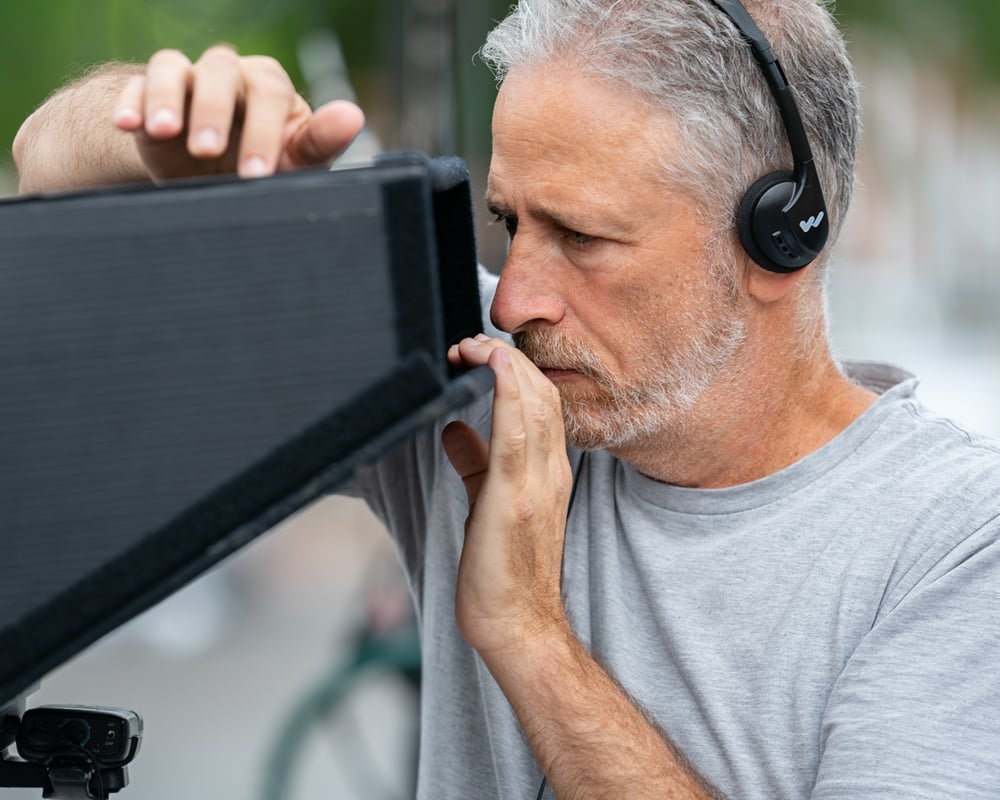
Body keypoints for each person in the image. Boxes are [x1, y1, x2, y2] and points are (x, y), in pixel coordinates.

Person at [12, 1, 1000, 798]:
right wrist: (167, 129)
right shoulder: (480, 378)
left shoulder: (955, 539)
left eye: (578, 235)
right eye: (506, 221)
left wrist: (527, 630)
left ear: (781, 236)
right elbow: (43, 170)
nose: (518, 296)